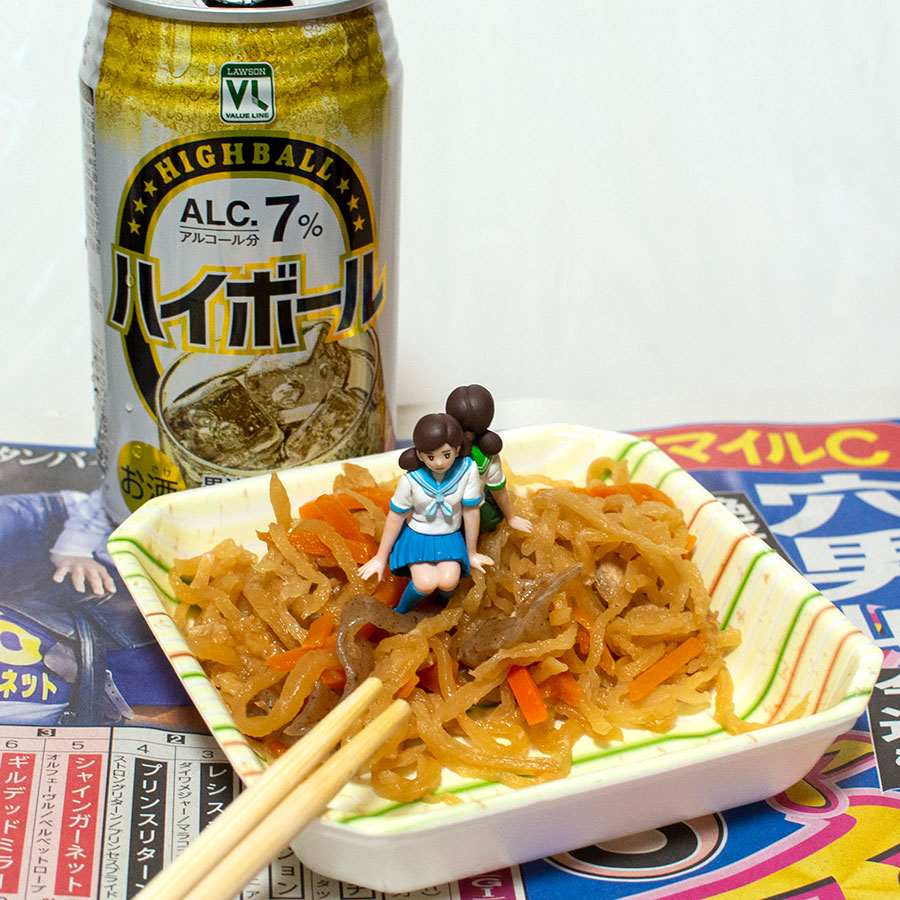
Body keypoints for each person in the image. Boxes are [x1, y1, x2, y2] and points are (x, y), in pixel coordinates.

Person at [359, 413, 493, 613]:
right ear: (420, 455)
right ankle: (400, 612)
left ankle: (444, 609)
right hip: (417, 536)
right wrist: (380, 557)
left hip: (450, 536)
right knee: (425, 584)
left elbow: (471, 511)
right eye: (431, 456)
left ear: (457, 450)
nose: (439, 463)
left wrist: (472, 553)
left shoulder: (467, 470)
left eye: (446, 455)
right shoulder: (411, 480)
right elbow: (396, 516)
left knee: (449, 581)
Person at [445, 384, 533, 533]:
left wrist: (510, 517)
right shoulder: (446, 449)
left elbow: (497, 488)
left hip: (473, 504)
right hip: (446, 506)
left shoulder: (486, 455)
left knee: (488, 520)